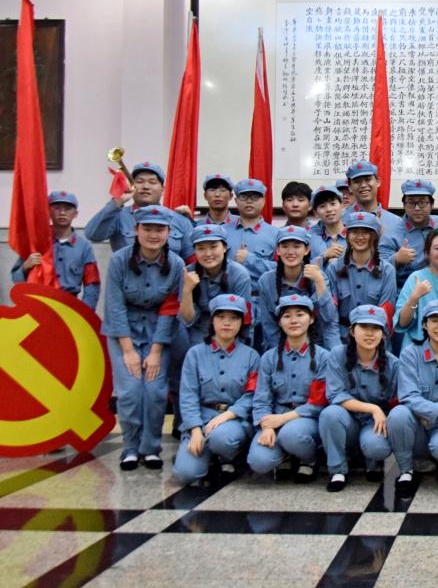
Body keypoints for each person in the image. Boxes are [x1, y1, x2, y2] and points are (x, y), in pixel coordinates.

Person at [102, 205, 185, 471]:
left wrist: (156, 351)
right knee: (129, 391)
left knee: (155, 391)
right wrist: (128, 350)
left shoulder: (176, 264)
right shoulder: (119, 260)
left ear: (168, 232)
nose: (153, 234)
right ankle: (130, 447)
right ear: (136, 230)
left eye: (159, 229)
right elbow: (114, 305)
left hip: (158, 334)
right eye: (147, 228)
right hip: (122, 333)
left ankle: (150, 448)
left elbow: (170, 308)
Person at [172, 294, 260, 485]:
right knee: (186, 474)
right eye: (221, 317)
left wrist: (226, 415)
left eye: (234, 318)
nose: (227, 323)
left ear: (241, 323)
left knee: (222, 438)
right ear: (212, 320)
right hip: (202, 419)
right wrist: (195, 430)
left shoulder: (251, 356)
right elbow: (188, 396)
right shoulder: (195, 354)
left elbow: (251, 395)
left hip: (233, 421)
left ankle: (229, 456)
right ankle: (210, 456)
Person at [389, 299, 438, 494]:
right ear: (424, 325)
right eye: (434, 321)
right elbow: (408, 396)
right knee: (398, 414)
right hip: (416, 421)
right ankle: (406, 468)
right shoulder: (410, 354)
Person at [247, 294, 330, 482]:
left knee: (291, 435)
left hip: (308, 419)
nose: (293, 321)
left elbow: (319, 402)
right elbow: (261, 399)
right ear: (280, 322)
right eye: (287, 316)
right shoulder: (269, 358)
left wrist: (283, 419)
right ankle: (285, 454)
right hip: (275, 417)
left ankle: (309, 459)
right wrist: (266, 426)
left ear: (311, 319)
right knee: (258, 462)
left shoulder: (323, 357)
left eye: (300, 314)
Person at [319, 305, 400, 491]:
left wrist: (379, 413)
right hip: (346, 418)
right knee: (330, 414)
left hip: (374, 422)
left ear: (383, 334)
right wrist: (372, 408)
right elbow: (335, 394)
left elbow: (395, 401)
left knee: (377, 447)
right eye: (364, 327)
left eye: (376, 328)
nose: (370, 334)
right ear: (352, 331)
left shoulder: (393, 364)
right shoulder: (337, 355)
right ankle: (338, 470)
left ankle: (372, 462)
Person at [85, 161, 194, 260]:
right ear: (132, 186)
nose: (145, 186)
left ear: (163, 190)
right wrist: (118, 201)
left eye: (152, 182)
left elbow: (191, 259)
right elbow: (93, 235)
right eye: (139, 181)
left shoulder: (180, 220)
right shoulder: (118, 215)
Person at [12, 191, 100, 309]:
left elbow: (92, 283)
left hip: (69, 307)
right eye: (57, 208)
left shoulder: (84, 246)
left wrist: (84, 312)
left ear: (75, 214)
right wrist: (25, 268)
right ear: (48, 212)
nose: (62, 212)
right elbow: (16, 278)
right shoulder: (36, 242)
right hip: (38, 305)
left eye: (68, 208)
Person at [256, 226, 339, 350]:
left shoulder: (318, 276)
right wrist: (281, 354)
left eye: (296, 246)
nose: (290, 252)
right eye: (285, 246)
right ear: (277, 250)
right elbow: (269, 326)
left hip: (317, 345)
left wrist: (319, 281)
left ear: (306, 250)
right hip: (282, 346)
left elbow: (329, 318)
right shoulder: (266, 281)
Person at [327, 212, 397, 341]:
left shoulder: (387, 271)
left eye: (366, 232)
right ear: (347, 235)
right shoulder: (334, 268)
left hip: (373, 338)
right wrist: (336, 347)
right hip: (342, 338)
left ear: (375, 236)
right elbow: (330, 316)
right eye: (354, 232)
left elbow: (386, 315)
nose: (360, 237)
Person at [179, 225, 252, 347]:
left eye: (213, 247)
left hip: (232, 334)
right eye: (201, 248)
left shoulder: (239, 274)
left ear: (224, 248)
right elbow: (188, 320)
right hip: (199, 333)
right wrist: (187, 290)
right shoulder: (188, 273)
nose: (208, 254)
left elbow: (245, 318)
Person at [380, 179, 438, 290]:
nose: (417, 208)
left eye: (422, 203)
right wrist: (396, 259)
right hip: (406, 292)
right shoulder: (391, 235)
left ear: (432, 204)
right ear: (404, 205)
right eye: (411, 203)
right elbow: (378, 270)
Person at [223, 179, 278, 290]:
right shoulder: (222, 232)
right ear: (236, 200)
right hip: (227, 296)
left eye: (255, 197)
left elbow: (282, 270)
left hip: (260, 297)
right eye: (244, 197)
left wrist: (249, 260)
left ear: (264, 201)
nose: (249, 201)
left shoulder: (276, 234)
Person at [343, 160, 403, 236]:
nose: (363, 185)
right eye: (357, 181)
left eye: (368, 179)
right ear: (350, 187)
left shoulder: (395, 223)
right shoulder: (340, 220)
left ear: (378, 182)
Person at [311, 185, 347, 265]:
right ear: (315, 213)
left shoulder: (353, 234)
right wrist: (324, 256)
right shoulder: (311, 238)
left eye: (333, 204)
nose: (329, 209)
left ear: (342, 205)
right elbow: (306, 267)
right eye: (322, 206)